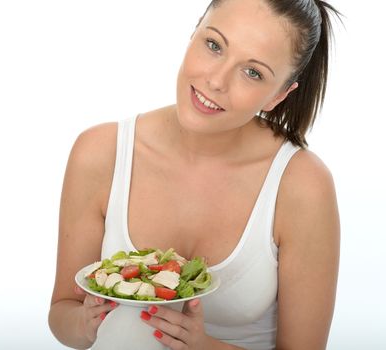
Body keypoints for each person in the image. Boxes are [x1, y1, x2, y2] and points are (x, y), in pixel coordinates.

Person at [48, 0, 341, 348]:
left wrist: (203, 345)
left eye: (253, 72)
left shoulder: (302, 185)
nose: (215, 81)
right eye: (214, 45)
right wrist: (84, 323)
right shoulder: (100, 152)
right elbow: (62, 312)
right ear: (195, 30)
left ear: (278, 95)